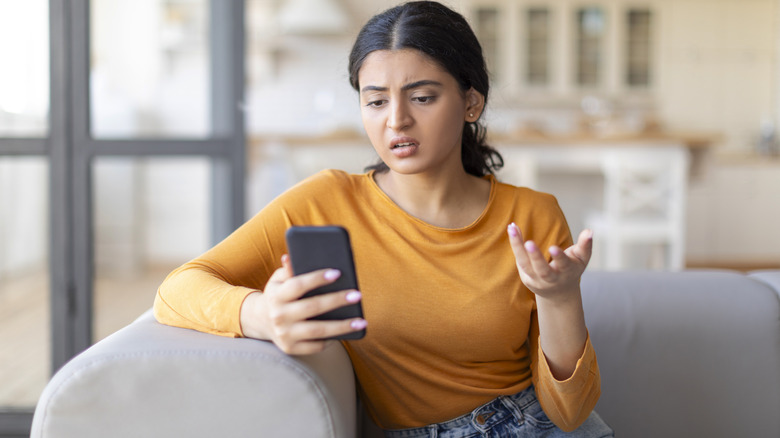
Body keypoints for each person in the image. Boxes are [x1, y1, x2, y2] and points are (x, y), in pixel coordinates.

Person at [154, 2, 614, 436]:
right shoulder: (327, 201)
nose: (397, 120)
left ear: (471, 103)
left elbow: (569, 413)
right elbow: (177, 289)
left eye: (422, 97)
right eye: (376, 102)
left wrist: (559, 297)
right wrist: (262, 315)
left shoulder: (531, 214)